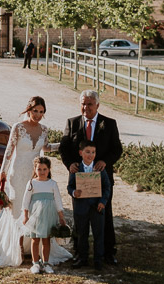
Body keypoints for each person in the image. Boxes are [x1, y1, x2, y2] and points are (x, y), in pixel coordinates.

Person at [0, 96, 72, 267]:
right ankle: (16, 248)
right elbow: (9, 151)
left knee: (33, 208)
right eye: (35, 111)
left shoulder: (44, 129)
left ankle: (32, 248)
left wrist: (62, 144)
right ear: (29, 110)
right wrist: (2, 171)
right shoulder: (18, 128)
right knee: (17, 209)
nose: (38, 115)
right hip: (16, 174)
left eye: (41, 112)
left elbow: (45, 148)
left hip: (35, 176)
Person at [58, 89, 121, 265]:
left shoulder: (109, 123)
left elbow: (117, 149)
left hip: (101, 180)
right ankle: (80, 254)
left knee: (105, 215)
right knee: (80, 219)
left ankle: (108, 253)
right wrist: (69, 163)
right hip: (79, 181)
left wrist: (105, 162)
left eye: (90, 104)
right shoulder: (72, 123)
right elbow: (64, 148)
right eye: (83, 104)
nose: (86, 107)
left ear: (97, 105)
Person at [67, 139, 112, 271]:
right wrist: (74, 192)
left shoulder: (99, 169)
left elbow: (107, 187)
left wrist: (103, 202)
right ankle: (82, 258)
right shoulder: (75, 169)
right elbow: (69, 187)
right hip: (81, 207)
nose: (90, 155)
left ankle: (98, 260)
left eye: (93, 152)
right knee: (82, 234)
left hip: (96, 207)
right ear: (81, 153)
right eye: (87, 152)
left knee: (99, 234)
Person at [21, 156, 68, 274]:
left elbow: (58, 201)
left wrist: (61, 217)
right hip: (35, 215)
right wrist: (25, 215)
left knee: (46, 240)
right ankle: (35, 263)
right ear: (35, 169)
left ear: (49, 170)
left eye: (44, 169)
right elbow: (26, 200)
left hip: (48, 215)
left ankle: (45, 263)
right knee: (35, 239)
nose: (42, 172)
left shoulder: (52, 184)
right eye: (39, 169)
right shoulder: (32, 183)